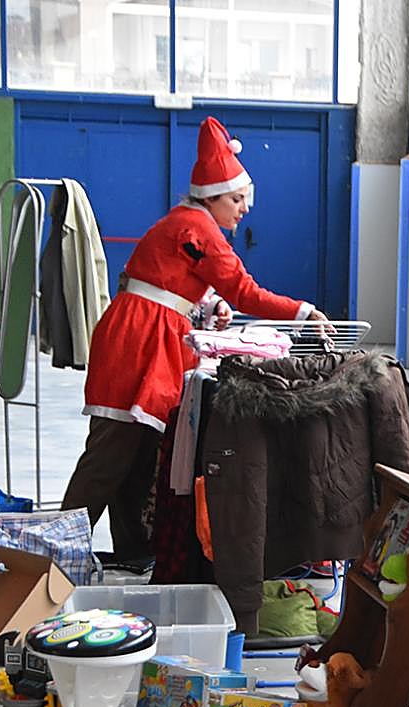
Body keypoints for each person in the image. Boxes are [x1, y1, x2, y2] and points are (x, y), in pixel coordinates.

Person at [62, 116, 327, 569]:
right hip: (139, 343)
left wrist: (205, 306)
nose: (244, 209)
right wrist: (302, 312)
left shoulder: (187, 226)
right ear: (213, 196)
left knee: (140, 452)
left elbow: (176, 282)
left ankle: (134, 550)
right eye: (238, 199)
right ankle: (54, 552)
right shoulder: (198, 228)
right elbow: (245, 290)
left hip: (148, 336)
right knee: (111, 454)